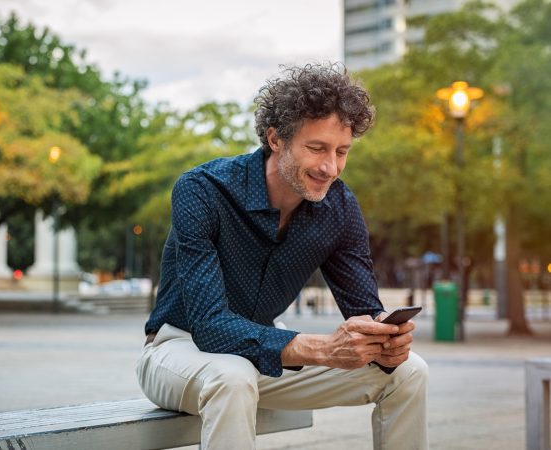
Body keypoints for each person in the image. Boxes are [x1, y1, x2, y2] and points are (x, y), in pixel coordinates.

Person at [136, 62, 428, 450]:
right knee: (232, 376)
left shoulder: (340, 207)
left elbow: (364, 310)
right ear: (276, 139)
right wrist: (321, 348)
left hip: (261, 360)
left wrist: (385, 342)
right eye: (317, 148)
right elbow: (209, 325)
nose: (331, 167)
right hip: (178, 351)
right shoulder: (202, 190)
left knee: (409, 372)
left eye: (342, 151)